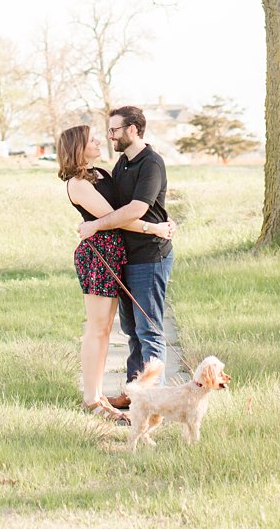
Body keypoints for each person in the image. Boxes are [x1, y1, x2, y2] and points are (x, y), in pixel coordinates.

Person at [58, 123, 173, 421]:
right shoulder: (78, 184)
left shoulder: (99, 174)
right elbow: (114, 218)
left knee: (107, 330)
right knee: (97, 329)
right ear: (77, 147)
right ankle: (92, 399)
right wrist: (153, 227)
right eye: (92, 139)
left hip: (114, 253)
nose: (99, 140)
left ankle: (98, 396)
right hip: (97, 256)